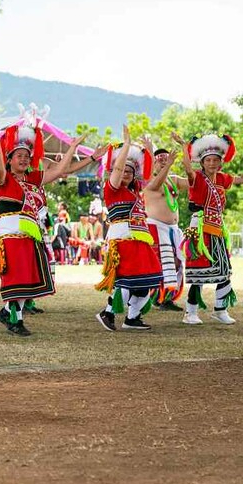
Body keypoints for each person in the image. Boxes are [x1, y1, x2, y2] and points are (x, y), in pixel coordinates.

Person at [0, 119, 83, 336]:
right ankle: (15, 320)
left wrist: (73, 148)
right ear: (10, 159)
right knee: (15, 278)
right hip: (10, 236)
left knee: (26, 279)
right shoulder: (3, 179)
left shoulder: (34, 178)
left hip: (30, 235)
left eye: (27, 156)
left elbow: (60, 170)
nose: (24, 159)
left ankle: (7, 313)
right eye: (19, 155)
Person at [94, 126, 166, 332]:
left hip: (140, 239)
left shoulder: (135, 191)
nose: (125, 173)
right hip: (123, 238)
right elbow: (116, 171)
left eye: (130, 171)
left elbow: (148, 175)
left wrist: (150, 151)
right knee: (128, 278)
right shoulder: (112, 188)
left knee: (148, 278)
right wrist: (126, 145)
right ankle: (108, 312)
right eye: (122, 170)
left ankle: (132, 318)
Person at [175, 132, 243, 325]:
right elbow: (187, 168)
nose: (212, 163)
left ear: (221, 162)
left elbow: (241, 179)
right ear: (202, 162)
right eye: (208, 160)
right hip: (200, 229)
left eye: (215, 160)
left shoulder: (223, 178)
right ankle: (190, 312)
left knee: (224, 269)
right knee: (200, 272)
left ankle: (220, 310)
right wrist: (184, 146)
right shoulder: (196, 177)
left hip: (218, 229)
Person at [142, 138, 189, 311]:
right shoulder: (147, 180)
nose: (163, 160)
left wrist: (185, 148)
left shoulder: (173, 180)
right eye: (159, 159)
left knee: (177, 263)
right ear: (153, 163)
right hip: (156, 227)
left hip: (173, 229)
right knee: (162, 264)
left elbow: (194, 181)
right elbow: (156, 184)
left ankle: (167, 298)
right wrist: (166, 164)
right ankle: (155, 297)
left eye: (166, 158)